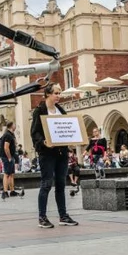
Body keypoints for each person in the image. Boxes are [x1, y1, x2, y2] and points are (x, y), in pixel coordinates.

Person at [30, 83, 78, 228]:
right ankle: (42, 217)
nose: (59, 96)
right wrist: (43, 142)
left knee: (61, 184)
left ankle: (63, 216)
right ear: (48, 94)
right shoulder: (39, 111)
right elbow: (35, 132)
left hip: (61, 152)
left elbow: (66, 127)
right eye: (56, 93)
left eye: (59, 93)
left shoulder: (60, 111)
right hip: (47, 153)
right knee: (46, 184)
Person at [0, 122, 18, 199]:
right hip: (7, 157)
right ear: (11, 126)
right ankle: (5, 191)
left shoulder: (11, 134)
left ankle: (12, 191)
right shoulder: (8, 135)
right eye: (14, 125)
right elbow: (6, 147)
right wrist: (9, 157)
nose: (15, 126)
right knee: (7, 174)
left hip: (10, 156)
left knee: (11, 174)